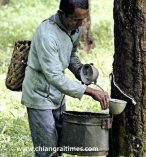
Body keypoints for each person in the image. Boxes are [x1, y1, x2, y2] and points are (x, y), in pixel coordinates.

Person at [21, 0, 109, 156]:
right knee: (47, 150)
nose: (81, 24)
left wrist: (80, 70)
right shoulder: (47, 35)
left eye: (84, 19)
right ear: (62, 14)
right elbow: (54, 76)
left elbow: (70, 55)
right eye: (76, 19)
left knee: (60, 144)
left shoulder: (72, 29)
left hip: (58, 94)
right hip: (39, 95)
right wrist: (90, 91)